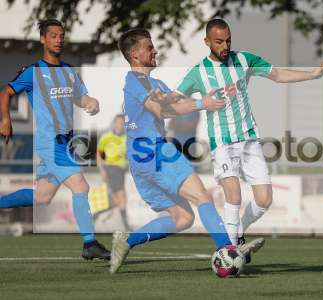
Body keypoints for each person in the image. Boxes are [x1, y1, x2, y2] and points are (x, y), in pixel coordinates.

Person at [173, 19, 323, 261]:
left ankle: (237, 234)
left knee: (264, 200)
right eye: (219, 41)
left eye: (228, 40)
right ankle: (226, 253)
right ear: (207, 42)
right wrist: (200, 104)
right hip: (222, 142)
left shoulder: (245, 60)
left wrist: (313, 74)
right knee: (234, 196)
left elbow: (278, 74)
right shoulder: (198, 73)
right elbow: (174, 102)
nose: (225, 45)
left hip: (249, 140)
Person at [109, 28, 235, 274]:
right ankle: (228, 249)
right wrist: (201, 104)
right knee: (202, 196)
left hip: (141, 159)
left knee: (182, 218)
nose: (155, 50)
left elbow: (175, 103)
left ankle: (127, 241)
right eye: (149, 47)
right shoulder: (133, 80)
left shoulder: (154, 83)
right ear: (134, 55)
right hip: (152, 152)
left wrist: (203, 99)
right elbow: (163, 111)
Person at [0, 19, 110, 260]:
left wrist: (92, 103)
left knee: (42, 197)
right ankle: (89, 243)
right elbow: (5, 93)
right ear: (43, 39)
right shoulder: (33, 72)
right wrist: (6, 120)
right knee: (81, 186)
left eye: (61, 36)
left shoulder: (70, 72)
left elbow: (82, 99)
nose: (59, 39)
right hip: (49, 143)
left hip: (66, 143)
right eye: (53, 36)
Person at [96, 114, 129, 230]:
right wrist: (102, 171)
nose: (120, 125)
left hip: (121, 171)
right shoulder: (106, 137)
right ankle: (126, 225)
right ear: (114, 123)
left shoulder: (127, 138)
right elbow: (99, 156)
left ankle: (95, 214)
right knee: (122, 197)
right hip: (111, 169)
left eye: (122, 123)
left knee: (117, 201)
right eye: (118, 123)